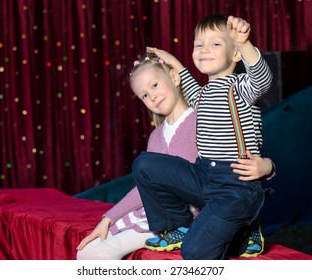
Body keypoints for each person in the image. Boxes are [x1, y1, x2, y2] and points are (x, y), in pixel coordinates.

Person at [76, 52, 275, 260]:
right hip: (159, 214)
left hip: (197, 212)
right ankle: (173, 229)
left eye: (154, 86)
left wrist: (268, 166)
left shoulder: (203, 117)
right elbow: (145, 186)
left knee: (101, 255)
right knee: (85, 252)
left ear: (174, 77)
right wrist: (109, 219)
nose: (151, 96)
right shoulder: (156, 136)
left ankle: (234, 230)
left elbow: (239, 149)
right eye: (144, 95)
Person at [132, 14, 273, 260]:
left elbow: (262, 79)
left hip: (235, 187)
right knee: (145, 165)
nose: (204, 50)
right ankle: (178, 226)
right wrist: (172, 61)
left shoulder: (241, 88)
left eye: (215, 44)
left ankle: (244, 231)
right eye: (199, 45)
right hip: (204, 176)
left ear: (235, 54)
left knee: (194, 251)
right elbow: (188, 84)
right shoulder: (205, 93)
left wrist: (244, 43)